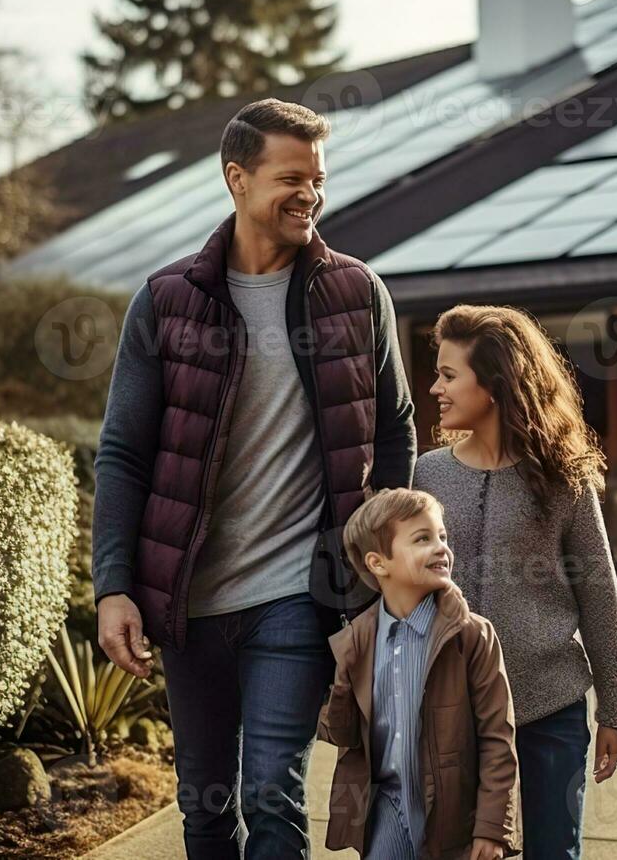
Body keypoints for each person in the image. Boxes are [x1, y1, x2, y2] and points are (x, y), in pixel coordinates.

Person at [91, 98, 417, 858]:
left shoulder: (356, 293)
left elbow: (394, 427)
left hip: (297, 597)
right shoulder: (168, 300)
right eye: (290, 177)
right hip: (188, 601)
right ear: (236, 179)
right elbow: (124, 453)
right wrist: (113, 586)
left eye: (318, 178)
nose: (309, 193)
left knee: (271, 789)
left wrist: (377, 558)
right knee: (204, 806)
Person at [412, 304, 617, 860]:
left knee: (554, 851)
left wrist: (612, 710)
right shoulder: (423, 476)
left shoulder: (562, 477)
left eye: (448, 374)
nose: (435, 387)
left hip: (548, 706)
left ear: (495, 383)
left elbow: (600, 593)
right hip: (450, 713)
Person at [318, 487, 521, 860]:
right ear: (379, 563)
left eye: (443, 536)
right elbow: (343, 735)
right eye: (423, 539)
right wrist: (340, 688)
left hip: (453, 819)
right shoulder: (357, 641)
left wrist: (493, 828)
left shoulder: (471, 636)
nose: (441, 547)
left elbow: (498, 739)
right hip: (388, 810)